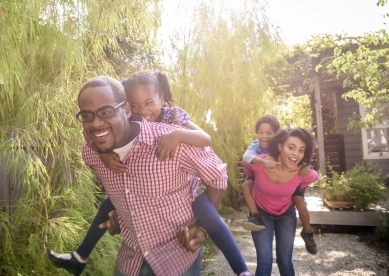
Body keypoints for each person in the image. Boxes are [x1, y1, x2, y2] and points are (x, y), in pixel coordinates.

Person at [46, 74, 247, 276]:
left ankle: (241, 270)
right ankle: (80, 257)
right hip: (129, 262)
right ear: (129, 106)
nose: (96, 123)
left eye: (106, 112)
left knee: (211, 219)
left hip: (178, 256)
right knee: (107, 205)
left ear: (125, 110)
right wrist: (103, 155)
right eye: (87, 116)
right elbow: (92, 142)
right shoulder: (92, 151)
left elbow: (216, 172)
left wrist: (201, 227)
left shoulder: (172, 134)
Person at [242, 128, 319, 276]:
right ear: (279, 146)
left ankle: (307, 232)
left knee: (285, 261)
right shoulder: (260, 163)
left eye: (301, 150)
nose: (296, 154)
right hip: (261, 212)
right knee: (265, 261)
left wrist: (306, 168)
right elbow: (247, 164)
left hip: (286, 214)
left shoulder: (303, 173)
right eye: (291, 148)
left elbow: (314, 177)